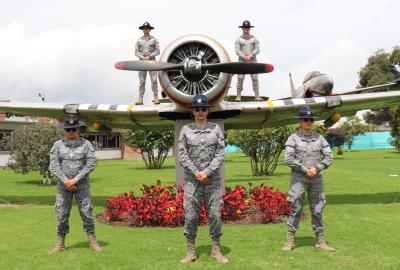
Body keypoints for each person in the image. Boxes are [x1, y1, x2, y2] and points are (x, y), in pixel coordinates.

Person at [178, 94, 228, 264]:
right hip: (192, 181)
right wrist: (197, 173)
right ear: (193, 111)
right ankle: (191, 251)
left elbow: (220, 154)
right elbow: (182, 155)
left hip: (212, 181)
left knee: (214, 215)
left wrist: (207, 172)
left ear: (207, 111)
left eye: (203, 109)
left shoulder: (215, 129)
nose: (200, 112)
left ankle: (216, 250)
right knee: (191, 216)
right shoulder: (186, 130)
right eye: (197, 109)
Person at [282, 106, 336, 252]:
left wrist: (317, 168)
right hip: (299, 178)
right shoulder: (293, 138)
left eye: (311, 119)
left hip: (316, 179)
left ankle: (320, 240)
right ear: (300, 121)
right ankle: (290, 240)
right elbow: (288, 158)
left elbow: (329, 157)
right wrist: (306, 169)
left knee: (318, 209)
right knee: (296, 208)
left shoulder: (319, 138)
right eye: (305, 119)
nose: (308, 122)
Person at [49, 115, 101, 253]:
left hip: (82, 185)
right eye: (68, 129)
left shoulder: (86, 144)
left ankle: (93, 242)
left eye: (74, 129)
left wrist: (75, 180)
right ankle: (60, 244)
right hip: (63, 186)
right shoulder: (57, 145)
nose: (71, 131)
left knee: (87, 212)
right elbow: (54, 166)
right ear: (64, 130)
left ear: (78, 129)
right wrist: (66, 181)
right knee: (61, 214)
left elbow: (90, 164)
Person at [235, 20, 261, 102]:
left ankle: (257, 96)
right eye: (245, 27)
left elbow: (257, 49)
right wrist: (244, 56)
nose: (246, 29)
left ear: (249, 28)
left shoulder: (254, 38)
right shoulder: (238, 39)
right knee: (240, 78)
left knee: (255, 78)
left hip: (252, 60)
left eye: (247, 27)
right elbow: (237, 50)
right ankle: (238, 95)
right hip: (242, 61)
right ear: (242, 28)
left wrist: (251, 55)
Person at [135, 22, 160, 105]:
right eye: (144, 28)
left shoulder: (154, 39)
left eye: (147, 28)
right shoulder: (139, 40)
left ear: (149, 29)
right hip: (142, 62)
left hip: (152, 61)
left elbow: (157, 51)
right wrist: (143, 58)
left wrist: (150, 56)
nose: (145, 29)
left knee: (154, 80)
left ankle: (156, 97)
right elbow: (136, 52)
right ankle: (140, 99)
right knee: (142, 81)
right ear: (142, 29)